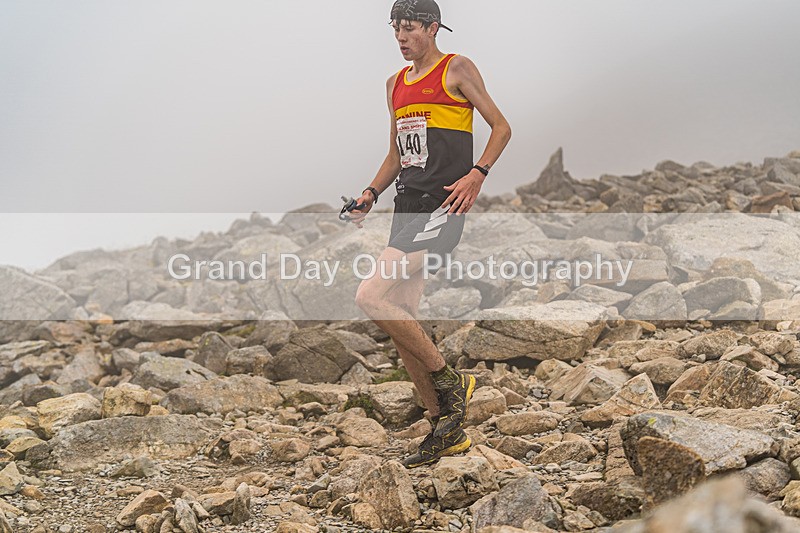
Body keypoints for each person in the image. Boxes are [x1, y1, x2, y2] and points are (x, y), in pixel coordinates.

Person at [347, 0, 512, 468]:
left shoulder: (456, 68)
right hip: (406, 206)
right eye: (395, 29)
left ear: (433, 28)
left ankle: (450, 382)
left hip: (443, 205)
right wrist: (369, 193)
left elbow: (501, 128)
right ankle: (445, 427)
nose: (401, 37)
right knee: (402, 315)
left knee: (369, 296)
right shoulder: (394, 84)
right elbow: (396, 154)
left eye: (410, 28)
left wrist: (478, 173)